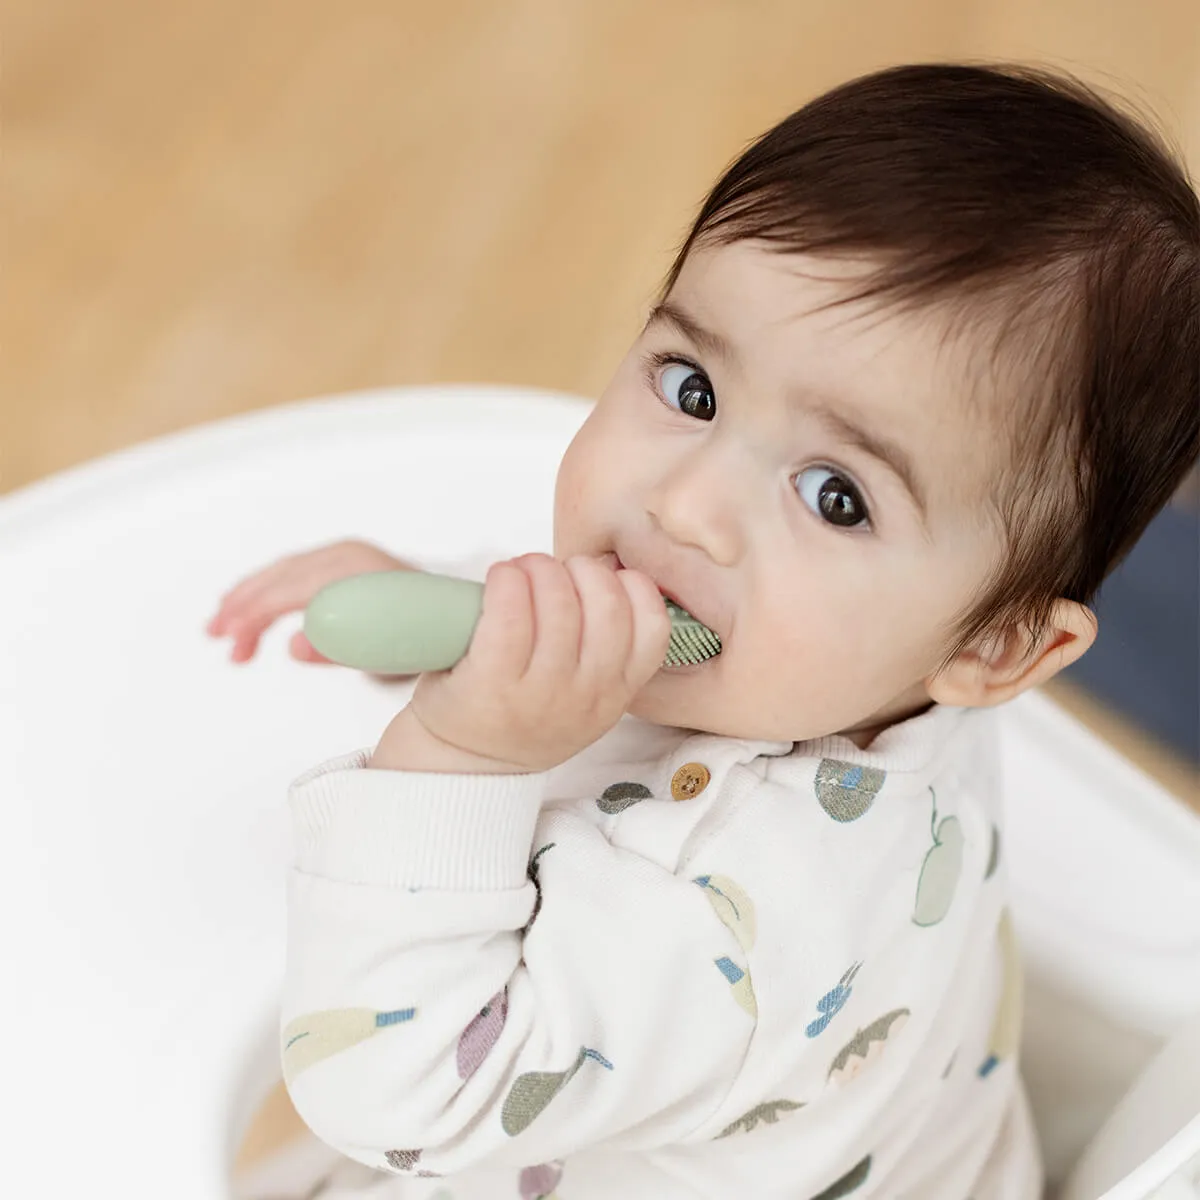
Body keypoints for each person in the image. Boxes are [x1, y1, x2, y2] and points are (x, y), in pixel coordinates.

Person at [208, 62, 1199, 1199]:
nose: (683, 505)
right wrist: (454, 609)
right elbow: (623, 613)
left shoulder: (751, 925)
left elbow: (395, 1087)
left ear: (995, 651)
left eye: (836, 496)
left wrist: (461, 758)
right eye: (691, 388)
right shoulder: (870, 661)